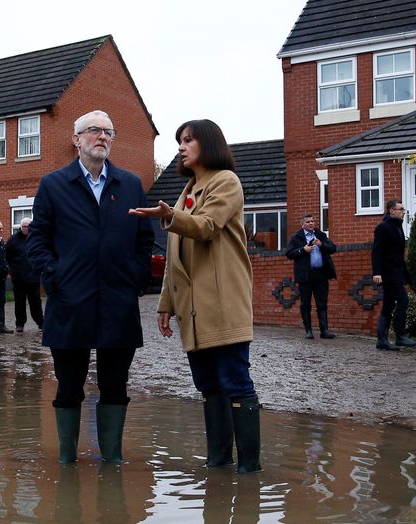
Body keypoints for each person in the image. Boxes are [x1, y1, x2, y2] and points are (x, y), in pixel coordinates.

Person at [129, 119, 261, 474]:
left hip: (222, 303)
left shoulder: (226, 182)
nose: (181, 147)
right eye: (179, 141)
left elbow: (206, 227)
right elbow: (175, 258)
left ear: (209, 143)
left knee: (235, 381)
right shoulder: (186, 190)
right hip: (193, 310)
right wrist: (166, 305)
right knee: (208, 384)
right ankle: (218, 464)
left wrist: (171, 216)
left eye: (188, 140)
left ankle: (250, 470)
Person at [26, 110, 153, 464]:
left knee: (115, 386)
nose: (102, 137)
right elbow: (37, 241)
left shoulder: (130, 184)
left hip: (118, 301)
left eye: (108, 132)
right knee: (68, 387)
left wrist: (136, 278)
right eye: (94, 130)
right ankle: (68, 461)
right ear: (76, 139)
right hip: (70, 301)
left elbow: (145, 241)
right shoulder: (53, 184)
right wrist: (54, 276)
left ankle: (111, 460)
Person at [372, 200, 416, 350]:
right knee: (403, 301)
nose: (403, 211)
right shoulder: (383, 228)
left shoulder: (397, 228)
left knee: (388, 305)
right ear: (391, 211)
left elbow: (398, 255)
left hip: (396, 272)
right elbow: (376, 251)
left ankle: (382, 340)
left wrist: (407, 276)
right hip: (388, 273)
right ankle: (400, 336)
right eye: (400, 209)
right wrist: (377, 272)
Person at [285, 213, 337, 339]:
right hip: (305, 276)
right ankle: (308, 331)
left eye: (312, 221)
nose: (311, 223)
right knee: (306, 304)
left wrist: (322, 245)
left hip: (321, 274)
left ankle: (324, 331)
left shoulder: (320, 235)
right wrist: (303, 250)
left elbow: (333, 248)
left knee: (322, 303)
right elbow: (289, 253)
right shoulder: (297, 237)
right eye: (308, 222)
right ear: (302, 224)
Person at [5, 217, 44, 332]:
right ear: (20, 227)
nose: (26, 228)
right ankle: (20, 324)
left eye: (28, 226)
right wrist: (10, 270)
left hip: (33, 276)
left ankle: (41, 322)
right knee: (19, 302)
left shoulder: (36, 238)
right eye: (24, 226)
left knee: (36, 301)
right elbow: (7, 256)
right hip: (19, 278)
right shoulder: (13, 240)